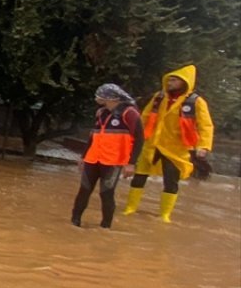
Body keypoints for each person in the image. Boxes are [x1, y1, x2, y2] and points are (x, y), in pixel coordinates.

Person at [123, 64, 214, 222]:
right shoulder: (159, 97)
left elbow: (205, 125)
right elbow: (144, 116)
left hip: (177, 148)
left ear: (184, 83)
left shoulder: (196, 102)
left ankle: (164, 215)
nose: (170, 83)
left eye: (174, 80)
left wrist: (203, 146)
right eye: (169, 80)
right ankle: (130, 208)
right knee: (139, 176)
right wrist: (134, 136)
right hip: (152, 143)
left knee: (171, 181)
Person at [71, 84, 143, 229]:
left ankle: (105, 227)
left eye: (100, 95)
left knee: (106, 193)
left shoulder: (129, 113)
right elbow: (93, 136)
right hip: (93, 158)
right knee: (84, 190)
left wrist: (131, 163)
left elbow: (140, 139)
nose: (97, 98)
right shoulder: (101, 113)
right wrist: (83, 156)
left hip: (113, 161)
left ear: (111, 98)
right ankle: (74, 222)